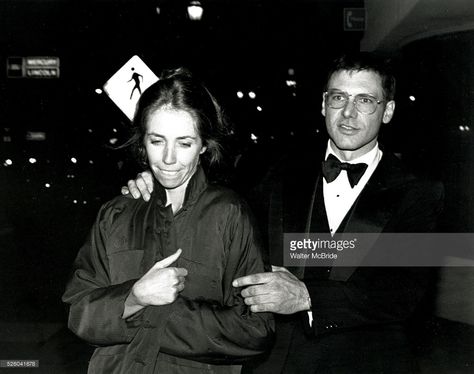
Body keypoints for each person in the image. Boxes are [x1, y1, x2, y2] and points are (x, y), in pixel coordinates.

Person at [123, 53, 444, 373]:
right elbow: (216, 203)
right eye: (338, 97)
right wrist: (164, 179)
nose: (348, 112)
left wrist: (307, 295)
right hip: (278, 362)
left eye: (365, 100)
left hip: (369, 362)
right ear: (323, 104)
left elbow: (405, 291)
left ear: (387, 111)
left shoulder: (420, 192)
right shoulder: (279, 170)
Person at [62, 67, 274, 374]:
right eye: (157, 141)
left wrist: (157, 313)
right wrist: (134, 297)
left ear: (203, 145)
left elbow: (256, 330)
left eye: (184, 143)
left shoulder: (229, 214)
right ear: (142, 142)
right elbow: (77, 311)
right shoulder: (117, 213)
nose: (169, 159)